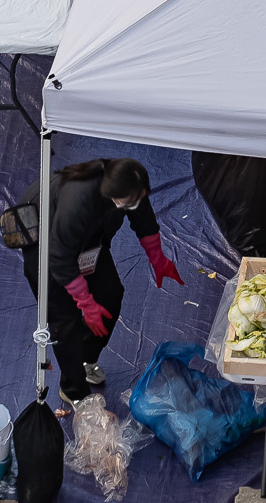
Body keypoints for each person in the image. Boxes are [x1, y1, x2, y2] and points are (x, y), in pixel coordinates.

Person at [14, 156, 179, 399]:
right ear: (112, 196)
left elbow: (143, 217)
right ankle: (73, 390)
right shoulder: (77, 202)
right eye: (132, 201)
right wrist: (86, 304)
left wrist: (158, 259)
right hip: (48, 248)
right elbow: (59, 258)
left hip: (89, 245)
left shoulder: (128, 185)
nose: (138, 201)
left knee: (110, 295)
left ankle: (84, 360)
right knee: (65, 320)